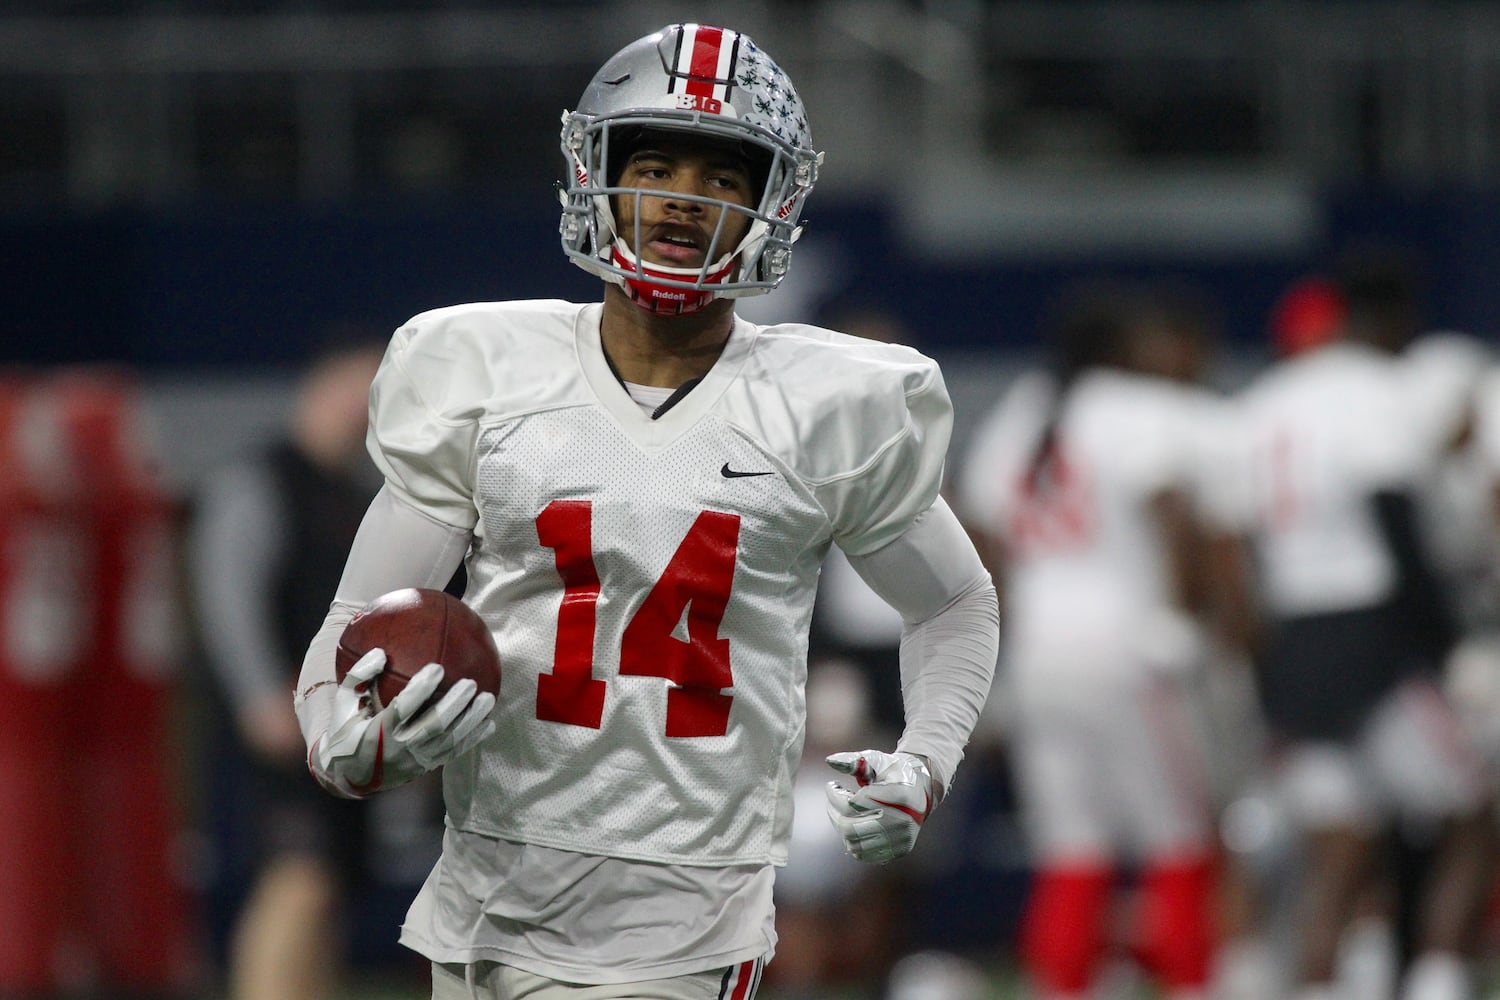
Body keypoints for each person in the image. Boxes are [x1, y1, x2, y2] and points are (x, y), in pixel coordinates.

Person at [293, 23, 999, 1000]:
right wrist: (339, 731)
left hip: (681, 916)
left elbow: (955, 601)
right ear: (598, 177)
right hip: (483, 895)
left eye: (721, 176)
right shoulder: (488, 371)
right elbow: (352, 617)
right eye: (655, 164)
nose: (680, 196)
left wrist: (926, 758)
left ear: (771, 202)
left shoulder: (825, 403)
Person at [954, 282, 1254, 1000]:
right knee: (1177, 834)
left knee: (1071, 847)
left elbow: (979, 533)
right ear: (1122, 351)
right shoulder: (1136, 410)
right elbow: (1174, 512)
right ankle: (1190, 984)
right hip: (1131, 644)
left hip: (1038, 653)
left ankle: (1060, 987)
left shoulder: (1021, 416)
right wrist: (1183, 617)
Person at [1230, 249, 1496, 1000]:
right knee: (1471, 807)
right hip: (1373, 630)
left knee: (1342, 844)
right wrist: (1441, 643)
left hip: (1292, 635)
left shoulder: (1263, 402)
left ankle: (1322, 984)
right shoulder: (1381, 392)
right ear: (1393, 322)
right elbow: (1395, 521)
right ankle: (1439, 981)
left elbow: (1239, 540)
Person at [189, 331, 422, 1000]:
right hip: (279, 731)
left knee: (330, 891)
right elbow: (225, 592)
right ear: (318, 388)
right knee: (299, 879)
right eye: (355, 388)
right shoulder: (260, 481)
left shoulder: (357, 494)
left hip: (337, 727)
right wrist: (260, 695)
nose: (363, 409)